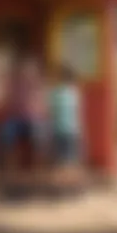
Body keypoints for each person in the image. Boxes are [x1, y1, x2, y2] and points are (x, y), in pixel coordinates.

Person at [1, 55, 48, 191]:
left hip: (33, 120)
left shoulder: (38, 86)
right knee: (7, 133)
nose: (27, 73)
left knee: (39, 136)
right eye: (25, 71)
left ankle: (39, 175)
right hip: (16, 119)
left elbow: (43, 106)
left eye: (30, 71)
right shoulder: (14, 85)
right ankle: (11, 174)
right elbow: (7, 102)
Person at [49, 64, 84, 193]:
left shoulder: (55, 93)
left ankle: (60, 186)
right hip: (72, 130)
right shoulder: (74, 93)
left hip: (59, 130)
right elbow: (77, 113)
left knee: (60, 159)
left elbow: (52, 112)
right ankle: (71, 186)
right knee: (71, 159)